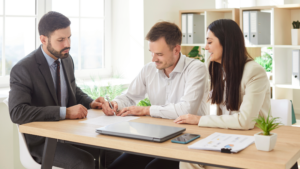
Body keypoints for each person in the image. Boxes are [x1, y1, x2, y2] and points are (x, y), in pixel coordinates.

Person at [101, 21, 209, 169]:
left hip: (187, 140)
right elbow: (131, 96)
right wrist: (116, 103)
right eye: (151, 53)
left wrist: (146, 110)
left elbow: (186, 110)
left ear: (176, 50)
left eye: (159, 54)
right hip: (157, 138)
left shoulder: (196, 69)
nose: (153, 59)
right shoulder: (149, 69)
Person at [9, 11, 103, 169]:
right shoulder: (23, 69)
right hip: (43, 142)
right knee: (85, 161)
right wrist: (65, 113)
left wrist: (91, 102)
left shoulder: (66, 59)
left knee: (111, 151)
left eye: (69, 37)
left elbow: (73, 90)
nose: (68, 44)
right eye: (61, 39)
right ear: (43, 39)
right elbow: (17, 112)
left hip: (69, 133)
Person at [173, 19, 272, 169]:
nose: (205, 47)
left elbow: (245, 121)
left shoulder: (253, 72)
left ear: (227, 42)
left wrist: (200, 119)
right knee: (187, 157)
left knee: (192, 160)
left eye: (210, 42)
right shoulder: (216, 68)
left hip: (253, 140)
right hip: (229, 136)